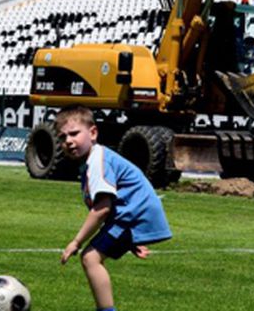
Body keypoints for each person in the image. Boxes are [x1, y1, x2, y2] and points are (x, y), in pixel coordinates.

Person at [56, 105, 172, 311]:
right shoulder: (94, 160)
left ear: (93, 133)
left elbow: (102, 209)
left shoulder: (98, 161)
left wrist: (76, 241)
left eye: (74, 134)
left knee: (90, 258)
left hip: (133, 216)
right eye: (62, 137)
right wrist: (131, 241)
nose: (68, 141)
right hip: (131, 217)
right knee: (93, 257)